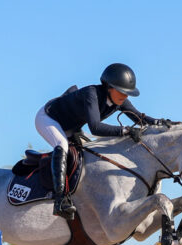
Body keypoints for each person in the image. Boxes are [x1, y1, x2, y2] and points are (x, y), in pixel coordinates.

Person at [36, 63, 174, 220]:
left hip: (71, 126)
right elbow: (95, 128)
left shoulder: (120, 101)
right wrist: (125, 131)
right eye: (122, 91)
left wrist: (158, 123)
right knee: (62, 145)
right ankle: (60, 199)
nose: (125, 96)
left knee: (88, 151)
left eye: (128, 93)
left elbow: (138, 117)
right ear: (109, 87)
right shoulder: (91, 94)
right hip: (48, 118)